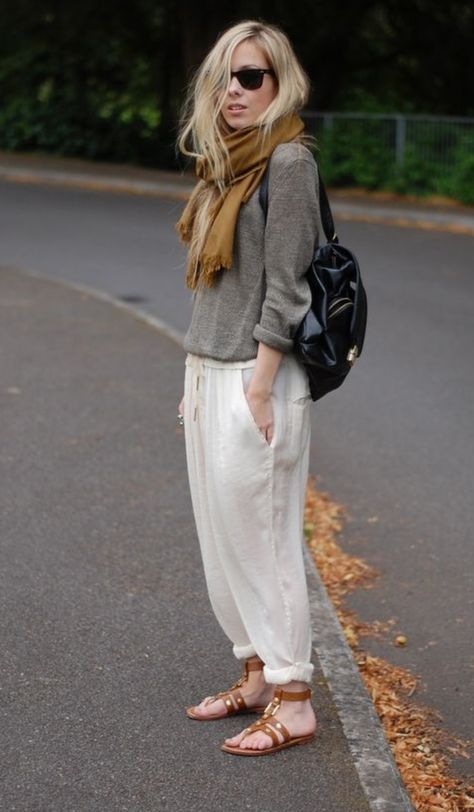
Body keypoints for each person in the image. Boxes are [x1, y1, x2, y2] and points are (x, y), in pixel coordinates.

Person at [174, 19, 323, 756]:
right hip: (211, 372)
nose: (236, 90)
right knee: (222, 544)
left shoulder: (288, 161)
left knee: (264, 543)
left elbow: (287, 284)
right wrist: (192, 379)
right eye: (227, 77)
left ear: (280, 82)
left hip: (257, 378)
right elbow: (213, 287)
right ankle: (258, 674)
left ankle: (294, 698)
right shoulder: (225, 165)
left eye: (252, 76)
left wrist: (259, 388)